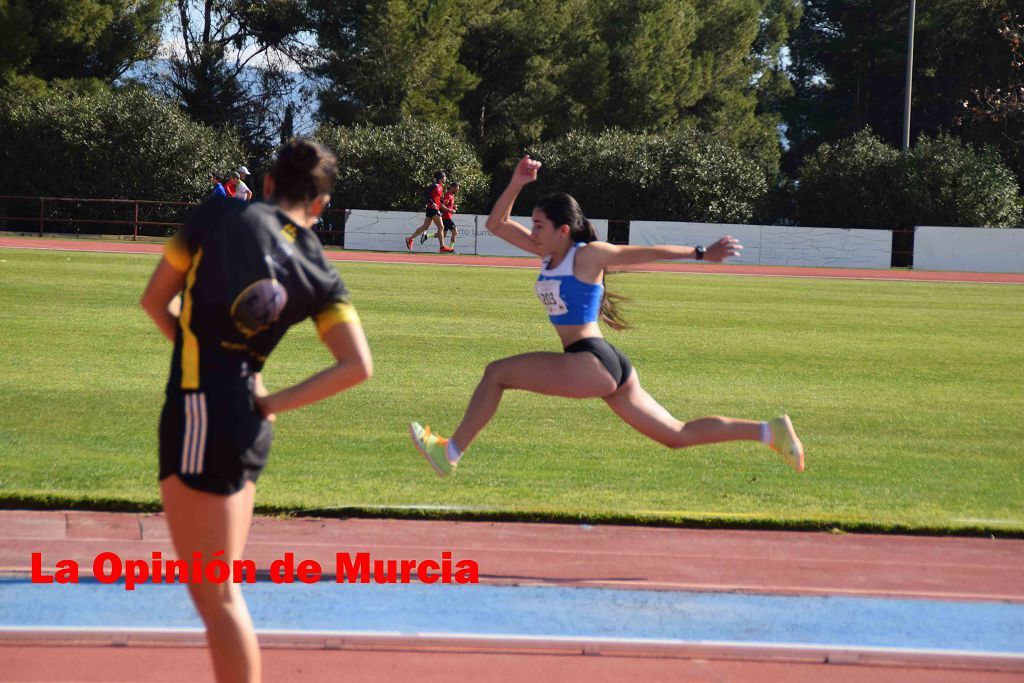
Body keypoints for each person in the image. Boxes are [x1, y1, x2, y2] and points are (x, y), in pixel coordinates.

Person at [409, 154, 804, 477]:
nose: (534, 232)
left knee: (496, 373)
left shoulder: (587, 255)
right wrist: (516, 182)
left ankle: (452, 452)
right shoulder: (549, 253)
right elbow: (496, 224)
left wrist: (700, 253)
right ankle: (770, 432)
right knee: (676, 434)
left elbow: (642, 253)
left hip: (591, 360)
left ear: (564, 229)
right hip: (604, 362)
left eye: (540, 226)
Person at [140, 139, 373, 682]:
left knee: (215, 593)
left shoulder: (218, 213)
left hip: (199, 411)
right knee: (224, 589)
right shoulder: (318, 267)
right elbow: (357, 365)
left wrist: (198, 348)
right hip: (246, 419)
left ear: (266, 184)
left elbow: (156, 300)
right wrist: (269, 401)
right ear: (320, 205)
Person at [405, 171, 453, 253]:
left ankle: (410, 239)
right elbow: (426, 194)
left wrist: (441, 202)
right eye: (444, 177)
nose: (445, 178)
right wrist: (433, 203)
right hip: (433, 209)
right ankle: (442, 247)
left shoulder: (441, 187)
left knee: (425, 226)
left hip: (432, 209)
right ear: (440, 178)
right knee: (441, 227)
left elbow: (437, 199)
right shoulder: (434, 185)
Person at [420, 181, 459, 250]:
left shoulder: (451, 195)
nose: (457, 191)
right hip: (447, 217)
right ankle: (451, 249)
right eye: (456, 189)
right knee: (455, 232)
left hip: (446, 217)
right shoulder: (448, 195)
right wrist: (451, 210)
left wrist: (453, 207)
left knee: (442, 235)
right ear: (452, 187)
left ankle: (427, 236)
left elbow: (445, 205)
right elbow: (441, 205)